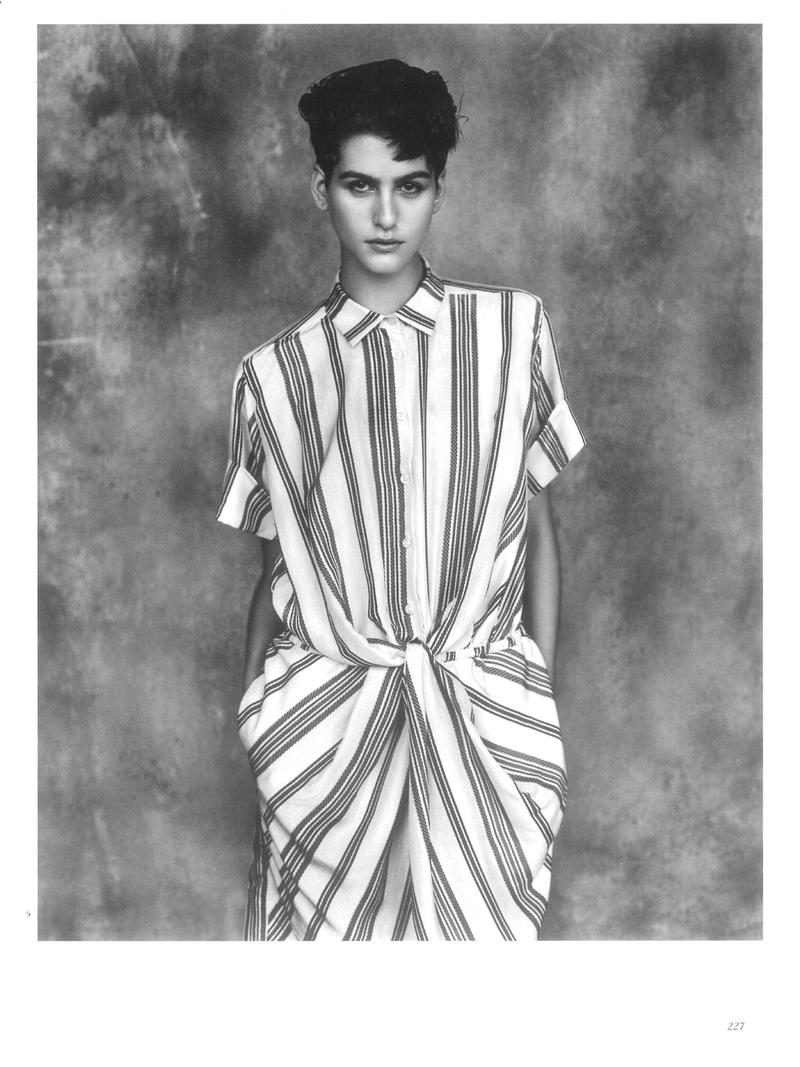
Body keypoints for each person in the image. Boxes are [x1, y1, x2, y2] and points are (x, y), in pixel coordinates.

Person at [216, 58, 586, 940]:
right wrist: (259, 723)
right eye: (360, 185)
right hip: (326, 744)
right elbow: (275, 571)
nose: (385, 215)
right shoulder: (272, 377)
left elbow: (537, 530)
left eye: (409, 186)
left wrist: (531, 694)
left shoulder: (514, 333)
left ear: (437, 191)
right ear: (322, 190)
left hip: (486, 722)